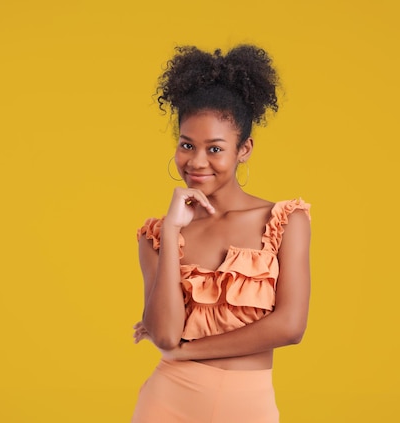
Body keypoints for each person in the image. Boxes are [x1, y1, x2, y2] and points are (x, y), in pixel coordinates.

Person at [131, 45, 312, 423]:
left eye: (215, 148)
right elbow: (165, 335)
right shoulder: (157, 235)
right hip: (166, 403)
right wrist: (172, 231)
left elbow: (290, 326)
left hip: (247, 406)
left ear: (243, 149)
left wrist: (188, 350)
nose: (196, 162)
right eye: (186, 145)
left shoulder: (284, 221)